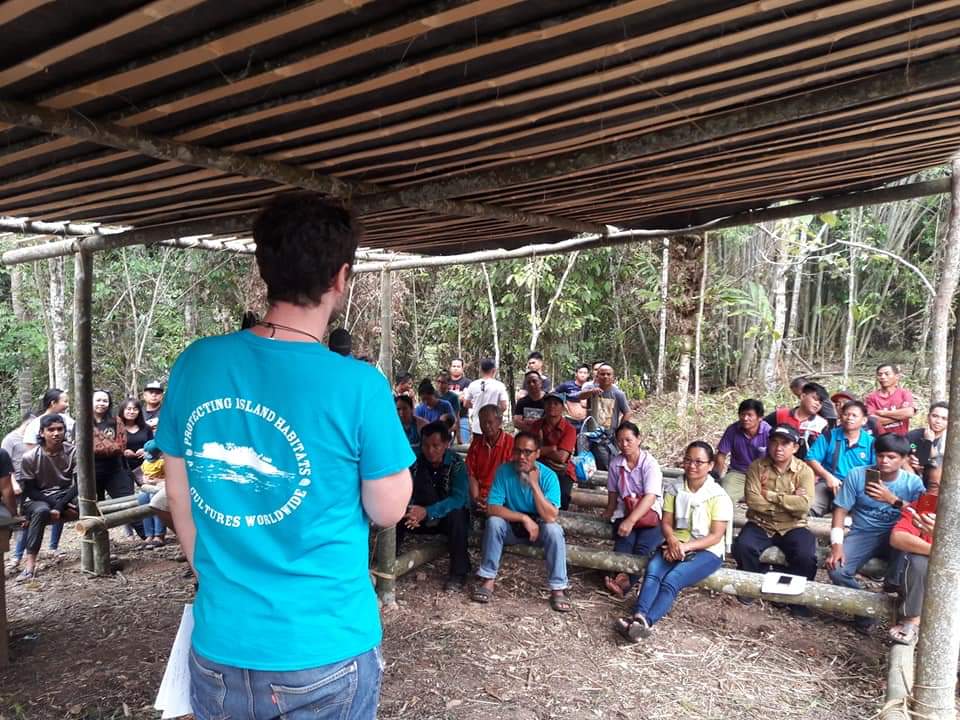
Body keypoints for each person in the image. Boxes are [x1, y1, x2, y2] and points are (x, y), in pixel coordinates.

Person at [157, 192, 412, 718]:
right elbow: (388, 509)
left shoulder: (197, 364)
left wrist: (216, 575)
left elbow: (178, 496)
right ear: (341, 277)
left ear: (263, 266)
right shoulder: (359, 385)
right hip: (324, 644)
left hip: (221, 639)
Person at [614, 441, 732, 641]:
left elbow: (715, 536)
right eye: (688, 460)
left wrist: (684, 546)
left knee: (673, 579)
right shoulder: (674, 488)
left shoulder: (718, 496)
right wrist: (672, 541)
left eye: (699, 462)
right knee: (653, 571)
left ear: (711, 465)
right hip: (676, 542)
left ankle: (646, 623)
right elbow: (666, 522)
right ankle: (638, 617)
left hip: (707, 550)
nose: (692, 466)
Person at [826, 433, 925, 632]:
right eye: (880, 455)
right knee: (837, 569)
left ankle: (903, 615)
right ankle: (865, 612)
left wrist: (892, 500)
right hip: (863, 533)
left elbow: (920, 518)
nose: (884, 461)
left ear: (904, 459)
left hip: (899, 535)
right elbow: (840, 511)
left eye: (891, 457)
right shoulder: (857, 474)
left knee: (902, 577)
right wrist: (837, 545)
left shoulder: (912, 483)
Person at [473, 432, 571, 612]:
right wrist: (524, 518)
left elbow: (550, 516)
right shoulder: (504, 471)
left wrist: (534, 484)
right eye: (517, 451)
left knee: (554, 530)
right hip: (513, 526)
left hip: (539, 528)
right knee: (494, 522)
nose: (522, 457)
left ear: (537, 453)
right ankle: (488, 579)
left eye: (528, 452)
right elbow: (492, 508)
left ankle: (558, 588)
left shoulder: (548, 476)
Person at [732, 425, 818, 616]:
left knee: (806, 554)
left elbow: (804, 506)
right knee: (743, 545)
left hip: (793, 525)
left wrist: (771, 495)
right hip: (761, 522)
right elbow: (753, 501)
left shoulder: (804, 471)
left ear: (795, 447)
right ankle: (752, 585)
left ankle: (796, 598)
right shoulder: (757, 466)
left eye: (785, 443)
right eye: (774, 442)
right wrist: (789, 501)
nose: (779, 448)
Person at [398, 422, 470, 591]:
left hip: (445, 521)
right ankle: (384, 562)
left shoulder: (456, 464)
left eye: (436, 446)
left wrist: (428, 512)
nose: (430, 450)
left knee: (458, 514)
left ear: (446, 444)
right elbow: (401, 489)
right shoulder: (414, 461)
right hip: (417, 517)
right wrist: (412, 511)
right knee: (394, 513)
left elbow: (458, 499)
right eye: (426, 445)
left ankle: (458, 573)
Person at [601, 421, 664, 598]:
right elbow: (613, 491)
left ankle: (627, 584)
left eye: (628, 440)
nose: (624, 444)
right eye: (620, 441)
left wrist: (631, 521)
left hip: (649, 514)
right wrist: (610, 509)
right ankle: (620, 578)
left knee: (643, 547)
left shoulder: (649, 464)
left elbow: (651, 497)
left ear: (639, 439)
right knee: (624, 543)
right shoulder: (616, 463)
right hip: (624, 511)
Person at [16, 415, 77, 582]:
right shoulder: (30, 457)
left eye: (60, 429)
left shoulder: (72, 451)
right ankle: (29, 566)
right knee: (41, 511)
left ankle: (97, 549)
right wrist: (58, 506)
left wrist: (60, 505)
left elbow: (79, 485)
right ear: (42, 433)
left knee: (87, 503)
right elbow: (30, 490)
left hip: (63, 495)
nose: (56, 433)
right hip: (38, 498)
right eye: (51, 430)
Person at [887, 462, 942, 645]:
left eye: (948, 485)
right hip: (928, 574)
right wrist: (939, 553)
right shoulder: (922, 507)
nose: (942, 492)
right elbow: (898, 537)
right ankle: (912, 619)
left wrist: (940, 537)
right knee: (918, 560)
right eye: (934, 486)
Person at [804, 400, 875, 516]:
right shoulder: (829, 436)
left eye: (854, 415)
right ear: (840, 417)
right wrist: (828, 477)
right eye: (846, 414)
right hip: (829, 484)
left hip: (858, 488)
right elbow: (811, 459)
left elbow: (875, 471)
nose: (849, 418)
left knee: (866, 513)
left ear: (864, 420)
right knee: (809, 506)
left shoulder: (871, 443)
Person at [715, 399, 770, 503]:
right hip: (738, 472)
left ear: (760, 418)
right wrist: (716, 476)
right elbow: (721, 455)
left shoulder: (769, 432)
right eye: (742, 414)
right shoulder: (732, 430)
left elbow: (776, 457)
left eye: (750, 415)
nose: (745, 418)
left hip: (763, 474)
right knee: (724, 497)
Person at [578, 363, 631, 470]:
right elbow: (580, 396)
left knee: (608, 467)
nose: (605, 376)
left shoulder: (618, 394)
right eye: (602, 374)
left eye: (608, 374)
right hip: (589, 436)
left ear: (613, 377)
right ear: (597, 376)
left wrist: (619, 430)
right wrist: (591, 392)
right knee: (587, 466)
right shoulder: (591, 390)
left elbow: (627, 412)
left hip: (607, 438)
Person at [531, 393, 577, 511]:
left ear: (562, 407)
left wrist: (539, 449)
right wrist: (552, 449)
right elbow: (528, 451)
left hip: (562, 470)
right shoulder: (536, 425)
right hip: (538, 467)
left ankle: (559, 522)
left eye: (556, 403)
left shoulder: (569, 429)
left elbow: (562, 457)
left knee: (562, 496)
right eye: (548, 403)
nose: (552, 406)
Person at [465, 404, 514, 512]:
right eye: (483, 422)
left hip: (501, 495)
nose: (486, 426)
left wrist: (493, 499)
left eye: (490, 422)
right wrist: (476, 498)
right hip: (478, 494)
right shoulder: (476, 443)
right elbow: (471, 473)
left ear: (499, 421)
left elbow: (512, 479)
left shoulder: (511, 444)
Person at [763, 383, 828, 459]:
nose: (817, 404)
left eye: (820, 402)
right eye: (815, 399)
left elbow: (823, 449)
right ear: (803, 396)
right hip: (776, 462)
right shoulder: (780, 414)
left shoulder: (821, 423)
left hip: (807, 467)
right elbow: (761, 429)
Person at [864, 363, 915, 436]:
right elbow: (873, 421)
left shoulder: (904, 393)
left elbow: (909, 413)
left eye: (887, 374)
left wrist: (883, 413)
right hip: (880, 440)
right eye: (880, 374)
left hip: (901, 439)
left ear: (897, 376)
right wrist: (900, 416)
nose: (883, 377)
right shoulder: (871, 397)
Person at [462, 359, 509, 437]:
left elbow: (466, 403)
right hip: (494, 425)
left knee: (478, 447)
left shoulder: (473, 385)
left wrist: (477, 405)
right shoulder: (499, 386)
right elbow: (503, 406)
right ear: (494, 370)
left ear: (481, 370)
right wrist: (495, 413)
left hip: (477, 425)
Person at [906, 401, 948, 487]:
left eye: (944, 418)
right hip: (911, 480)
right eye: (935, 416)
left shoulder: (949, 441)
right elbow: (900, 457)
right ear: (928, 417)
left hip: (938, 484)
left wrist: (929, 441)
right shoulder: (913, 435)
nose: (938, 421)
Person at [137, 440, 167, 548]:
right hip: (150, 486)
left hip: (162, 487)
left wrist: (156, 480)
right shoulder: (146, 462)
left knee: (155, 499)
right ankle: (149, 534)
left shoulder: (163, 462)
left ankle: (159, 534)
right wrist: (145, 479)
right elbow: (143, 474)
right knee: (142, 498)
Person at [119, 398, 153, 486]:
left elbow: (154, 446)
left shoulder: (146, 428)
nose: (132, 412)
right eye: (128, 409)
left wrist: (146, 450)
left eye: (135, 409)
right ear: (123, 410)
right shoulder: (117, 428)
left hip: (145, 467)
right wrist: (123, 452)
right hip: (123, 468)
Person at [554, 364, 590, 429]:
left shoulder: (591, 387)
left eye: (585, 373)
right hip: (570, 420)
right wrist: (562, 404)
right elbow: (553, 393)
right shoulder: (567, 385)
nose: (583, 375)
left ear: (588, 375)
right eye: (580, 372)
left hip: (586, 421)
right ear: (576, 374)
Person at [447, 358, 472, 444]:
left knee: (464, 446)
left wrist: (450, 395)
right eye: (454, 366)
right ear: (450, 367)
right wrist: (459, 395)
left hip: (462, 417)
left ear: (462, 368)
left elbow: (466, 398)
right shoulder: (445, 381)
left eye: (458, 366)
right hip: (446, 419)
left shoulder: (467, 382)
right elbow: (440, 397)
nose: (456, 368)